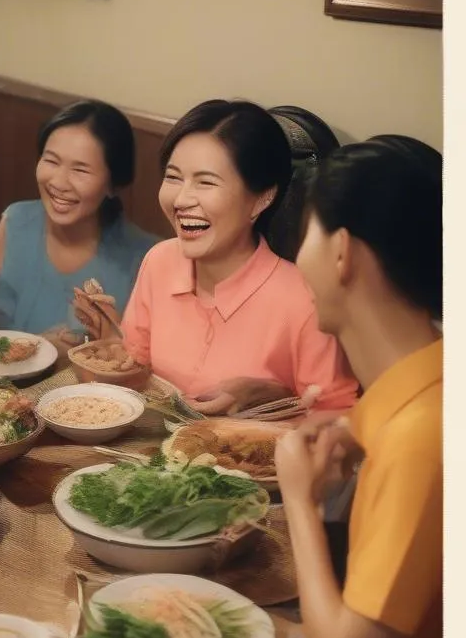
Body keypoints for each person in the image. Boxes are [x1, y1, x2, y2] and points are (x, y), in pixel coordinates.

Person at [274, 138, 442, 638]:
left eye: (308, 233)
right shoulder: (428, 381)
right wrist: (349, 430)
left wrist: (299, 498)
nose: (299, 259)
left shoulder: (423, 438)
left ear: (341, 251)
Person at [74, 99, 359, 411]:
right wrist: (110, 342)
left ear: (262, 198)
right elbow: (136, 371)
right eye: (173, 177)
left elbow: (337, 422)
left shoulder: (306, 301)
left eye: (206, 182)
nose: (181, 199)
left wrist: (276, 399)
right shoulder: (160, 261)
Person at [0, 100, 159, 336]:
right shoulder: (15, 221)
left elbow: (137, 359)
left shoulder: (145, 258)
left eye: (80, 170)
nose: (58, 182)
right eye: (51, 161)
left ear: (112, 184)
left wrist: (85, 349)